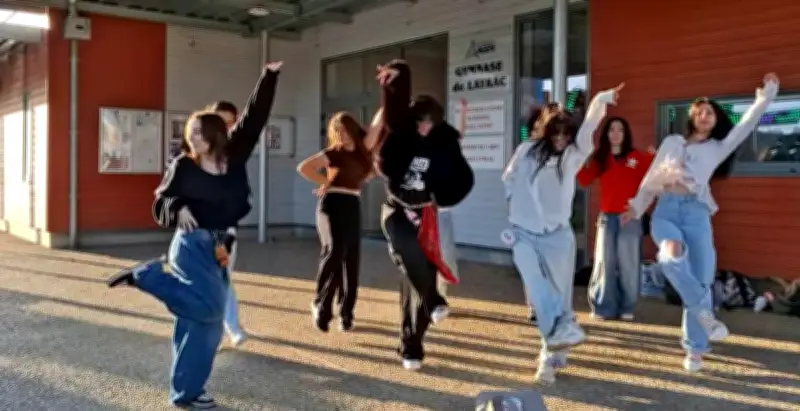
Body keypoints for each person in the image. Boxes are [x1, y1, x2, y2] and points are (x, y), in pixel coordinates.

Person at [105, 62, 282, 409]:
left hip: (220, 244)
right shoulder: (184, 165)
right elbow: (161, 201)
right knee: (211, 313)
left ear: (217, 134)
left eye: (199, 132)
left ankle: (186, 393)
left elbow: (255, 117)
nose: (192, 138)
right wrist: (177, 209)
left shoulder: (235, 156)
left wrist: (269, 77)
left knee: (198, 324)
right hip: (190, 245)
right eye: (190, 132)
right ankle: (147, 277)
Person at [622, 73, 780, 373]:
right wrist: (638, 206)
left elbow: (744, 128)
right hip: (667, 210)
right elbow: (652, 177)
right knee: (670, 253)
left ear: (715, 119)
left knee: (703, 276)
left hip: (696, 214)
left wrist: (765, 98)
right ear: (692, 117)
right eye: (700, 112)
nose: (705, 116)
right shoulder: (672, 142)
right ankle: (704, 313)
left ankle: (695, 349)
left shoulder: (717, 148)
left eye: (710, 113)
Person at [502, 83, 623, 384]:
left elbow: (590, 129)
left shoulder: (573, 155)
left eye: (565, 134)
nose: (559, 139)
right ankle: (558, 338)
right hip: (523, 233)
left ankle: (550, 354)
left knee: (558, 295)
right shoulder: (527, 150)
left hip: (557, 235)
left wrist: (601, 100)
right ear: (545, 131)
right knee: (537, 288)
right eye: (554, 133)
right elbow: (508, 178)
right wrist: (517, 207)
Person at [368, 60, 474, 371]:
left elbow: (454, 167)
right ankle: (435, 299)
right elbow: (392, 118)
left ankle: (412, 344)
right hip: (396, 210)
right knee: (408, 256)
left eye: (431, 122)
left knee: (419, 278)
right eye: (420, 122)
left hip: (426, 214)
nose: (425, 128)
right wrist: (395, 81)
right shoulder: (400, 138)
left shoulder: (441, 144)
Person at [296, 112, 373, 333]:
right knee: (335, 250)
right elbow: (304, 167)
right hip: (330, 205)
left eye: (346, 129)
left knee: (351, 259)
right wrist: (325, 182)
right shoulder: (333, 153)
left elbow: (378, 128)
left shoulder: (362, 154)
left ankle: (347, 312)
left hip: (352, 205)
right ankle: (322, 304)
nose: (342, 134)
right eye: (337, 130)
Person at [577, 116, 654, 321]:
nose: (616, 133)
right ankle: (603, 307)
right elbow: (582, 179)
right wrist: (580, 158)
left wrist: (656, 156)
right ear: (606, 134)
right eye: (612, 129)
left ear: (626, 133)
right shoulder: (600, 159)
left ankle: (627, 307)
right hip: (607, 218)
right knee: (605, 262)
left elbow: (653, 181)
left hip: (630, 217)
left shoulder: (636, 157)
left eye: (620, 129)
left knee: (628, 263)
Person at [409, 95, 468, 324]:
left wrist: (462, 114)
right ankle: (430, 299)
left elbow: (458, 136)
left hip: (440, 211)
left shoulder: (442, 144)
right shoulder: (410, 145)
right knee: (421, 256)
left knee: (443, 254)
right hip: (419, 212)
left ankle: (439, 296)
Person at [206, 100, 247, 348]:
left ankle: (230, 327)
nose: (224, 127)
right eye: (219, 121)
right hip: (198, 229)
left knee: (222, 276)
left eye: (229, 122)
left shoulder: (233, 155)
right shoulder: (197, 152)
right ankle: (218, 329)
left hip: (224, 229)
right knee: (208, 280)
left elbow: (240, 196)